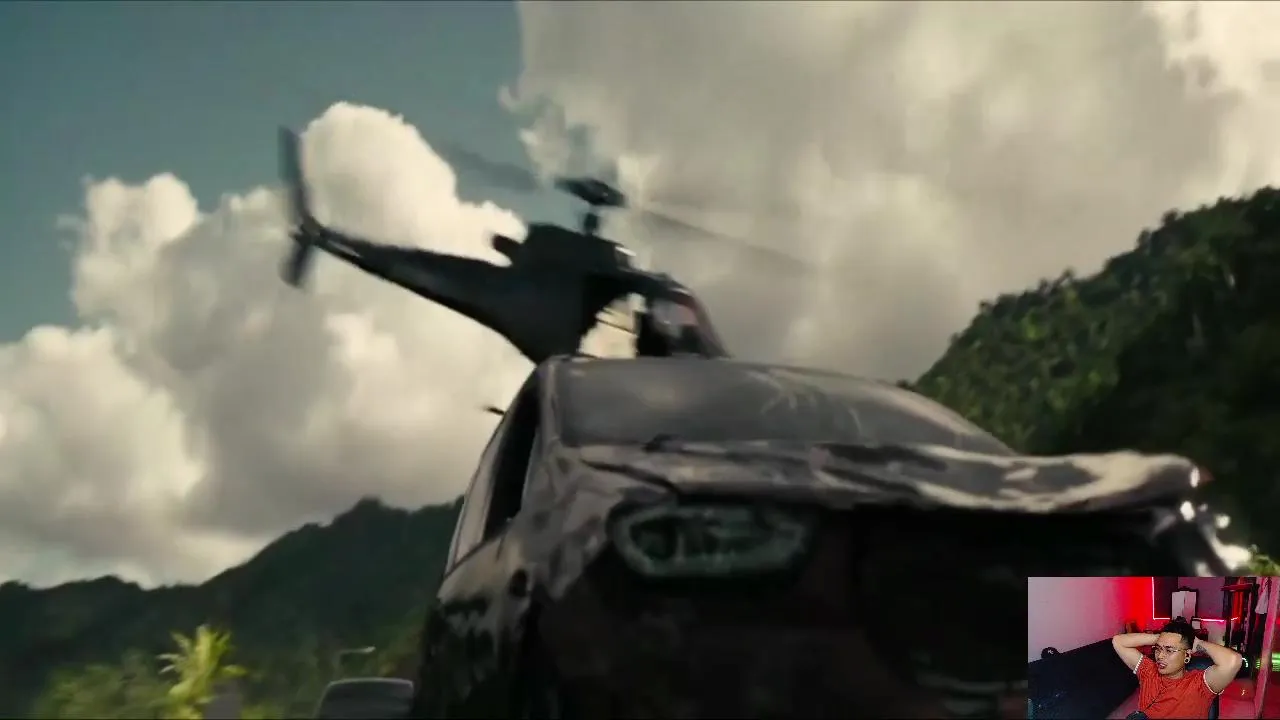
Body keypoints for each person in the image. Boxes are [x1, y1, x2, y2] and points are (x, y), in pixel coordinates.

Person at [1110, 620, 1243, 719]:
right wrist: (1160, 638)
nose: (1160, 656)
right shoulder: (1148, 670)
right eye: (1158, 649)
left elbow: (1233, 661)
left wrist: (1198, 643)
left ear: (1187, 655)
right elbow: (1118, 641)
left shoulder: (1200, 685)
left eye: (1169, 650)